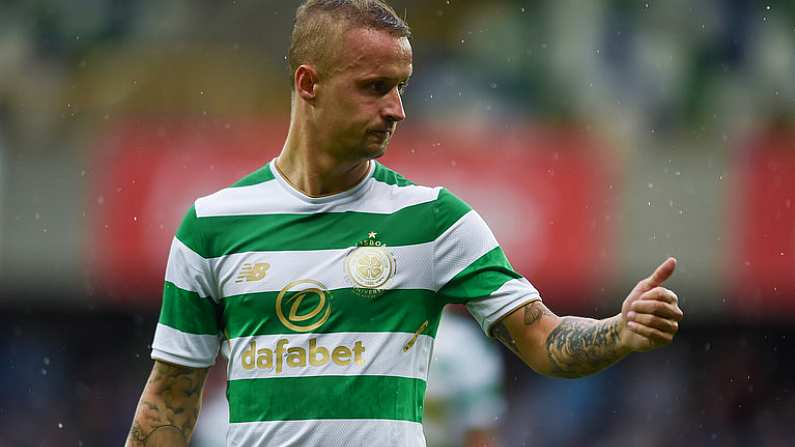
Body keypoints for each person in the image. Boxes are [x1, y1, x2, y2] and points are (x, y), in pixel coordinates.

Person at [125, 1, 684, 446]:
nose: (397, 109)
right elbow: (171, 397)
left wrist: (620, 331)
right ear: (308, 83)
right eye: (374, 87)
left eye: (401, 86)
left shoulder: (435, 221)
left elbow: (543, 339)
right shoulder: (211, 225)